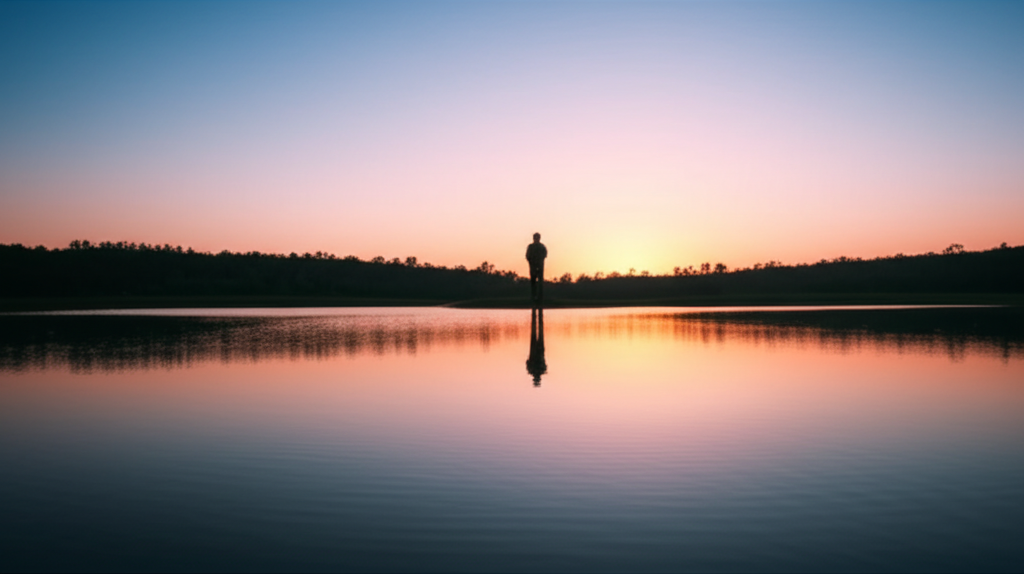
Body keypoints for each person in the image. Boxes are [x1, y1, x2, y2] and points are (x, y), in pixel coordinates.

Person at [525, 233, 547, 303]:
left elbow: (545, 255)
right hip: (533, 267)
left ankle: (540, 297)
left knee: (540, 282)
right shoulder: (531, 247)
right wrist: (531, 262)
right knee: (533, 282)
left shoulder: (542, 247)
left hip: (539, 266)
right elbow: (527, 256)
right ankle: (534, 297)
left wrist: (539, 261)